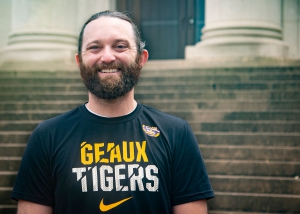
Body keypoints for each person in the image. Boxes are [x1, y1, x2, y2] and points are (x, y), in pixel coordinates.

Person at [11, 10, 214, 214]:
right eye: (94, 47)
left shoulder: (176, 133)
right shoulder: (47, 136)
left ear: (141, 58)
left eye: (120, 46)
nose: (107, 57)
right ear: (79, 61)